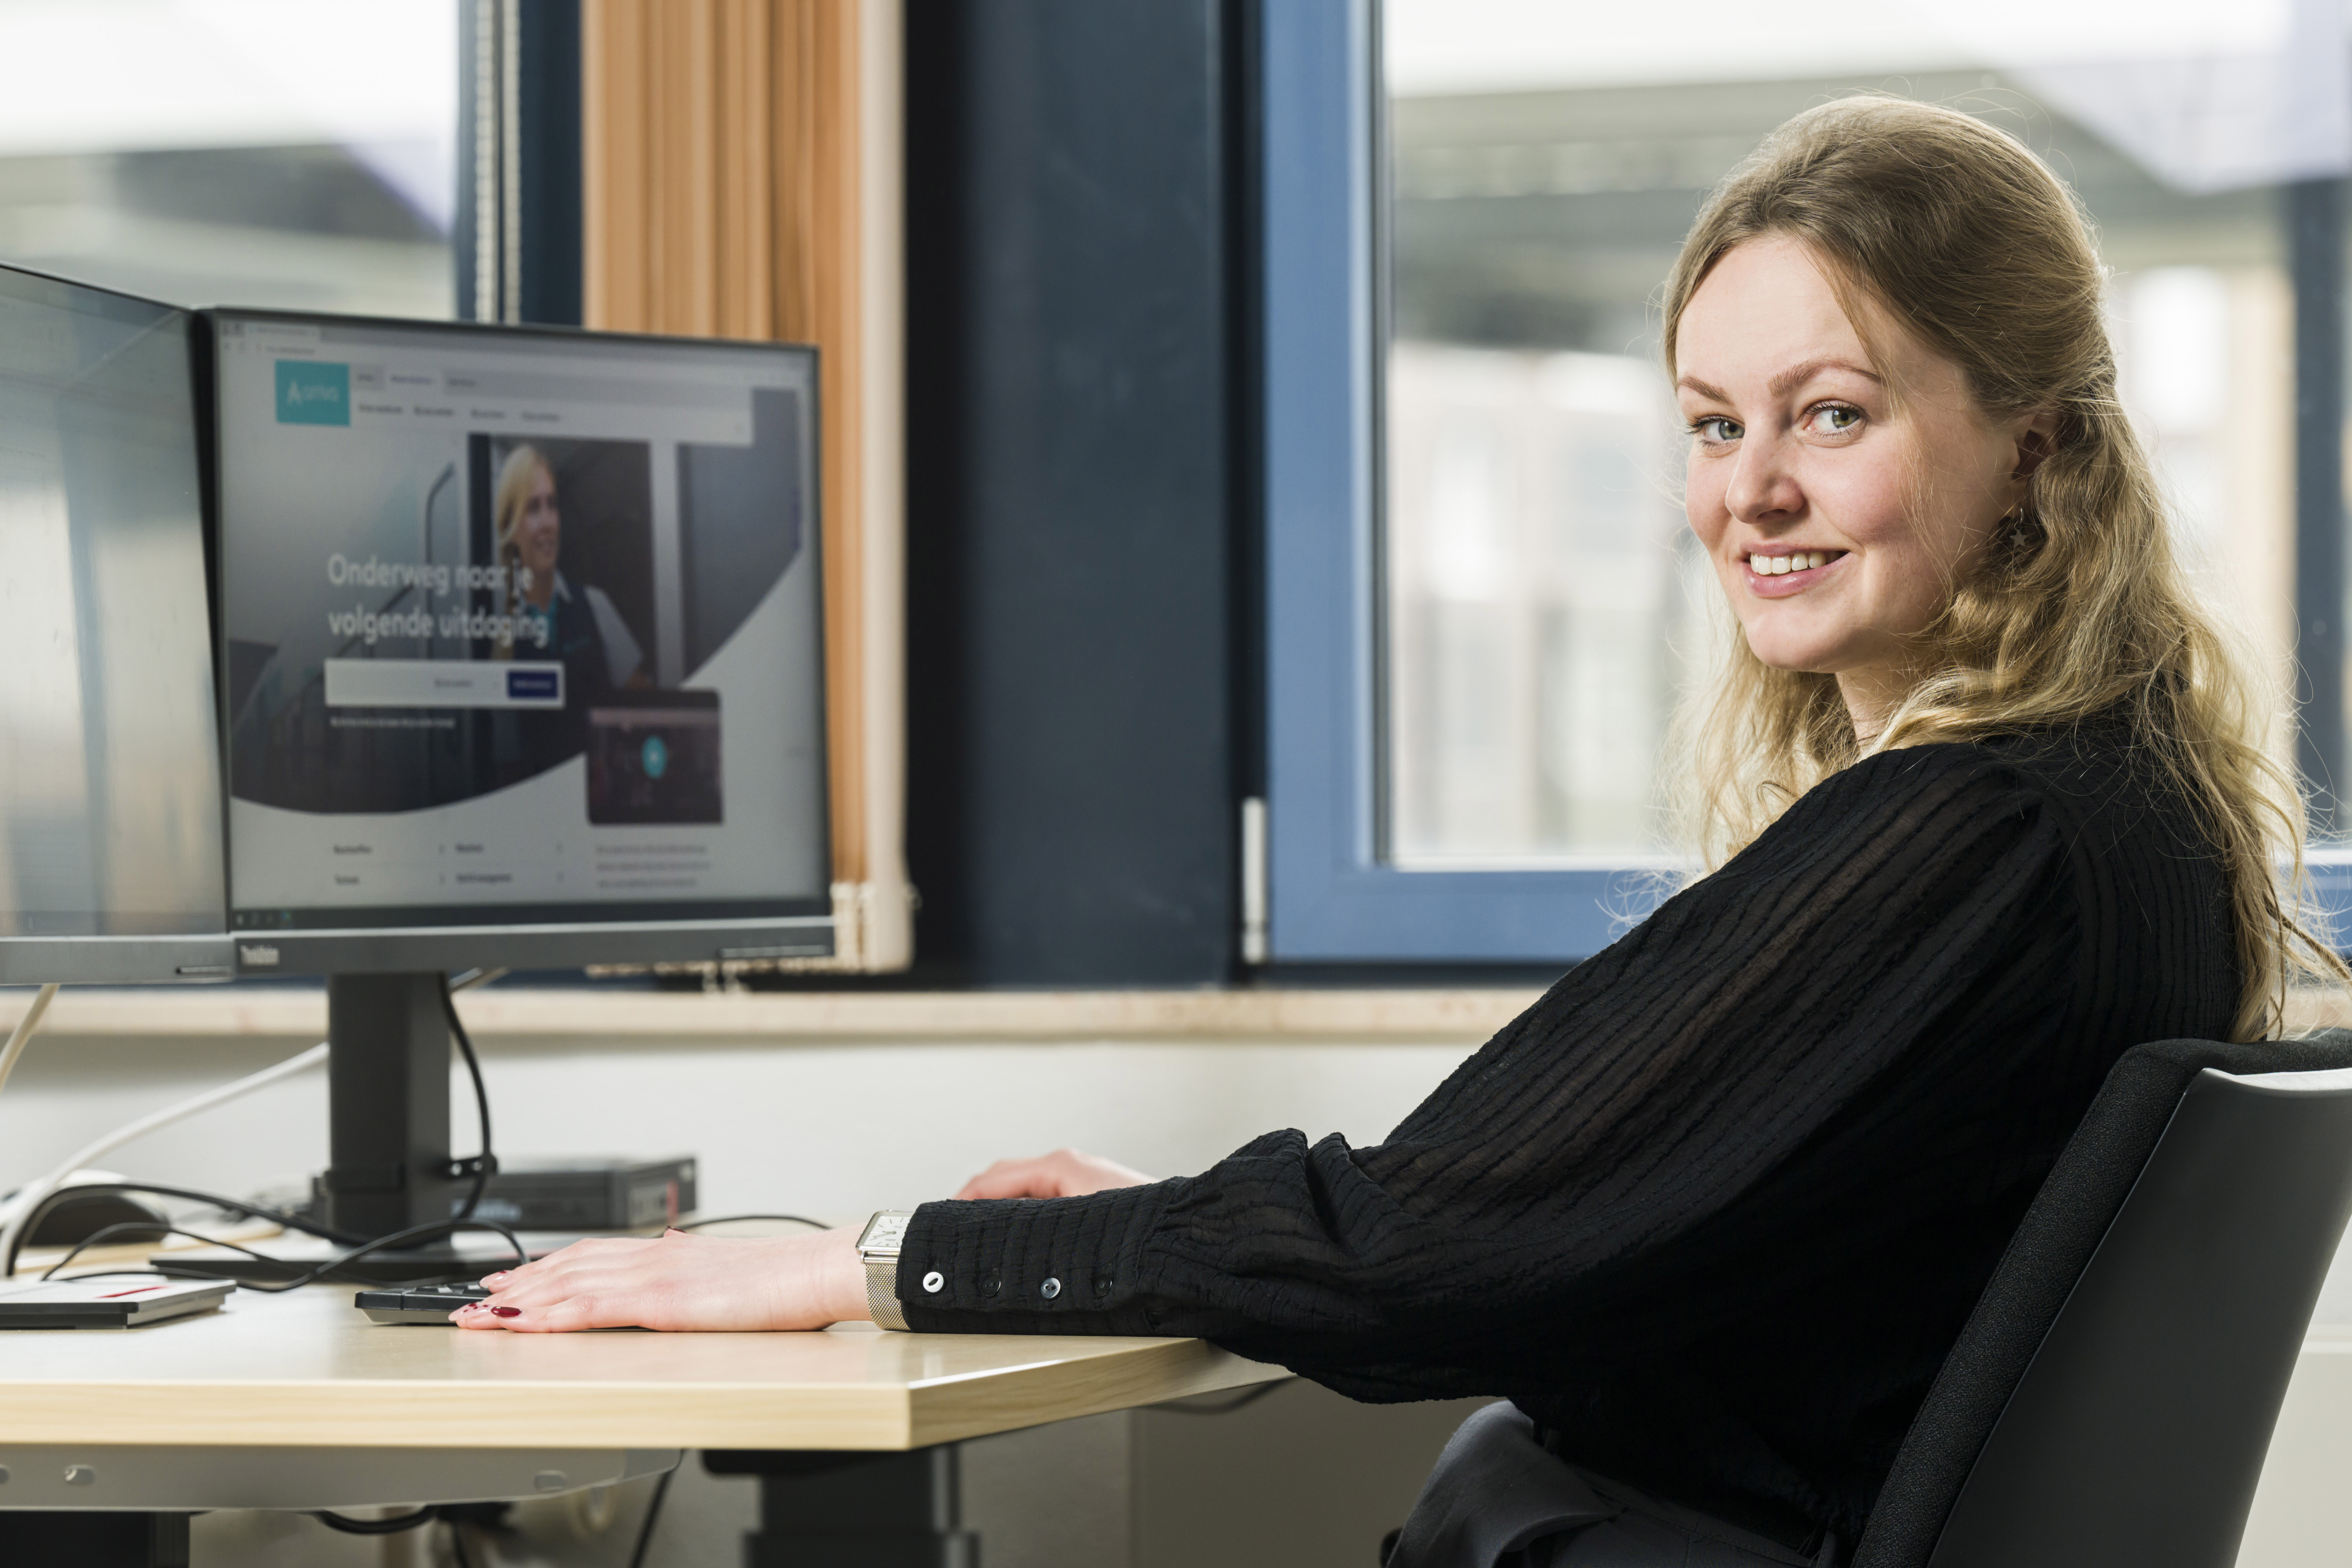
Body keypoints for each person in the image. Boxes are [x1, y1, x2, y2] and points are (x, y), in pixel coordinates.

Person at [450, 97, 2347, 1564]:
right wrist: (1190, 1230)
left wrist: (875, 1253)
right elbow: (1561, 1223)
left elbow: (1432, 1246)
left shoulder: (1974, 829)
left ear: (2028, 433)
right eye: (1707, 424)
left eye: (1830, 413)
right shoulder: (2122, 808)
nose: (1749, 488)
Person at [489, 443, 651, 777]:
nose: (548, 522)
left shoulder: (594, 605)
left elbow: (644, 706)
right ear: (511, 527)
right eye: (533, 508)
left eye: (552, 504)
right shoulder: (498, 635)